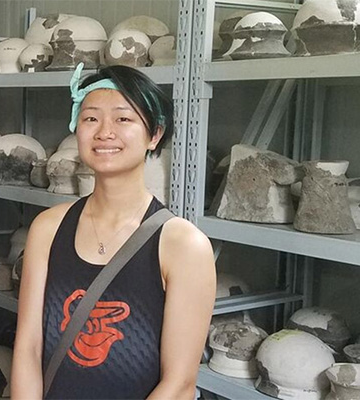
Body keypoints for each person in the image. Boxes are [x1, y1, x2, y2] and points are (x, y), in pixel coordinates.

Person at [12, 64, 216, 399]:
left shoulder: (182, 245)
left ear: (155, 134)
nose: (105, 132)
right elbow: (28, 350)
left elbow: (179, 383)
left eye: (123, 119)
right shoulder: (48, 229)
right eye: (91, 118)